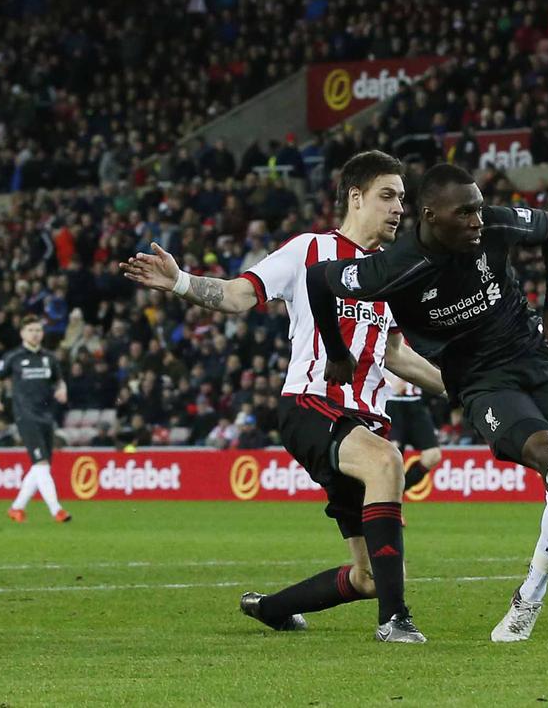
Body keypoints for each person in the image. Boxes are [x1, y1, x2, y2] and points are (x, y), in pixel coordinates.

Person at [307, 163, 548, 643]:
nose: (478, 220)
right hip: (481, 381)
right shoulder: (393, 267)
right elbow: (318, 279)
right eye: (465, 212)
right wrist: (337, 352)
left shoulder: (493, 224)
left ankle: (527, 599)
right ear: (430, 216)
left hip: (536, 358)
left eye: (478, 207)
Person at [120, 151, 444, 643]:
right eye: (387, 195)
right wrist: (181, 282)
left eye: (402, 197)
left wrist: (461, 385)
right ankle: (396, 622)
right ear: (356, 198)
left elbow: (397, 353)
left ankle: (272, 609)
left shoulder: (392, 272)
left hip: (365, 421)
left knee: (368, 578)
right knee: (387, 464)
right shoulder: (308, 250)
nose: (400, 207)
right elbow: (237, 296)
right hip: (312, 405)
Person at [0, 316, 72, 523]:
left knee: (40, 467)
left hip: (46, 416)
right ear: (22, 333)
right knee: (41, 463)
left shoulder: (49, 358)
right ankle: (57, 510)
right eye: (31, 330)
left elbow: (60, 381)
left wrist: (62, 390)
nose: (35, 333)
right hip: (25, 416)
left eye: (38, 330)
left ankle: (16, 508)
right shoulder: (14, 357)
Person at [383, 370, 442, 489]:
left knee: (433, 455)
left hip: (416, 403)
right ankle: (379, 496)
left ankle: (399, 491)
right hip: (391, 403)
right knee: (391, 457)